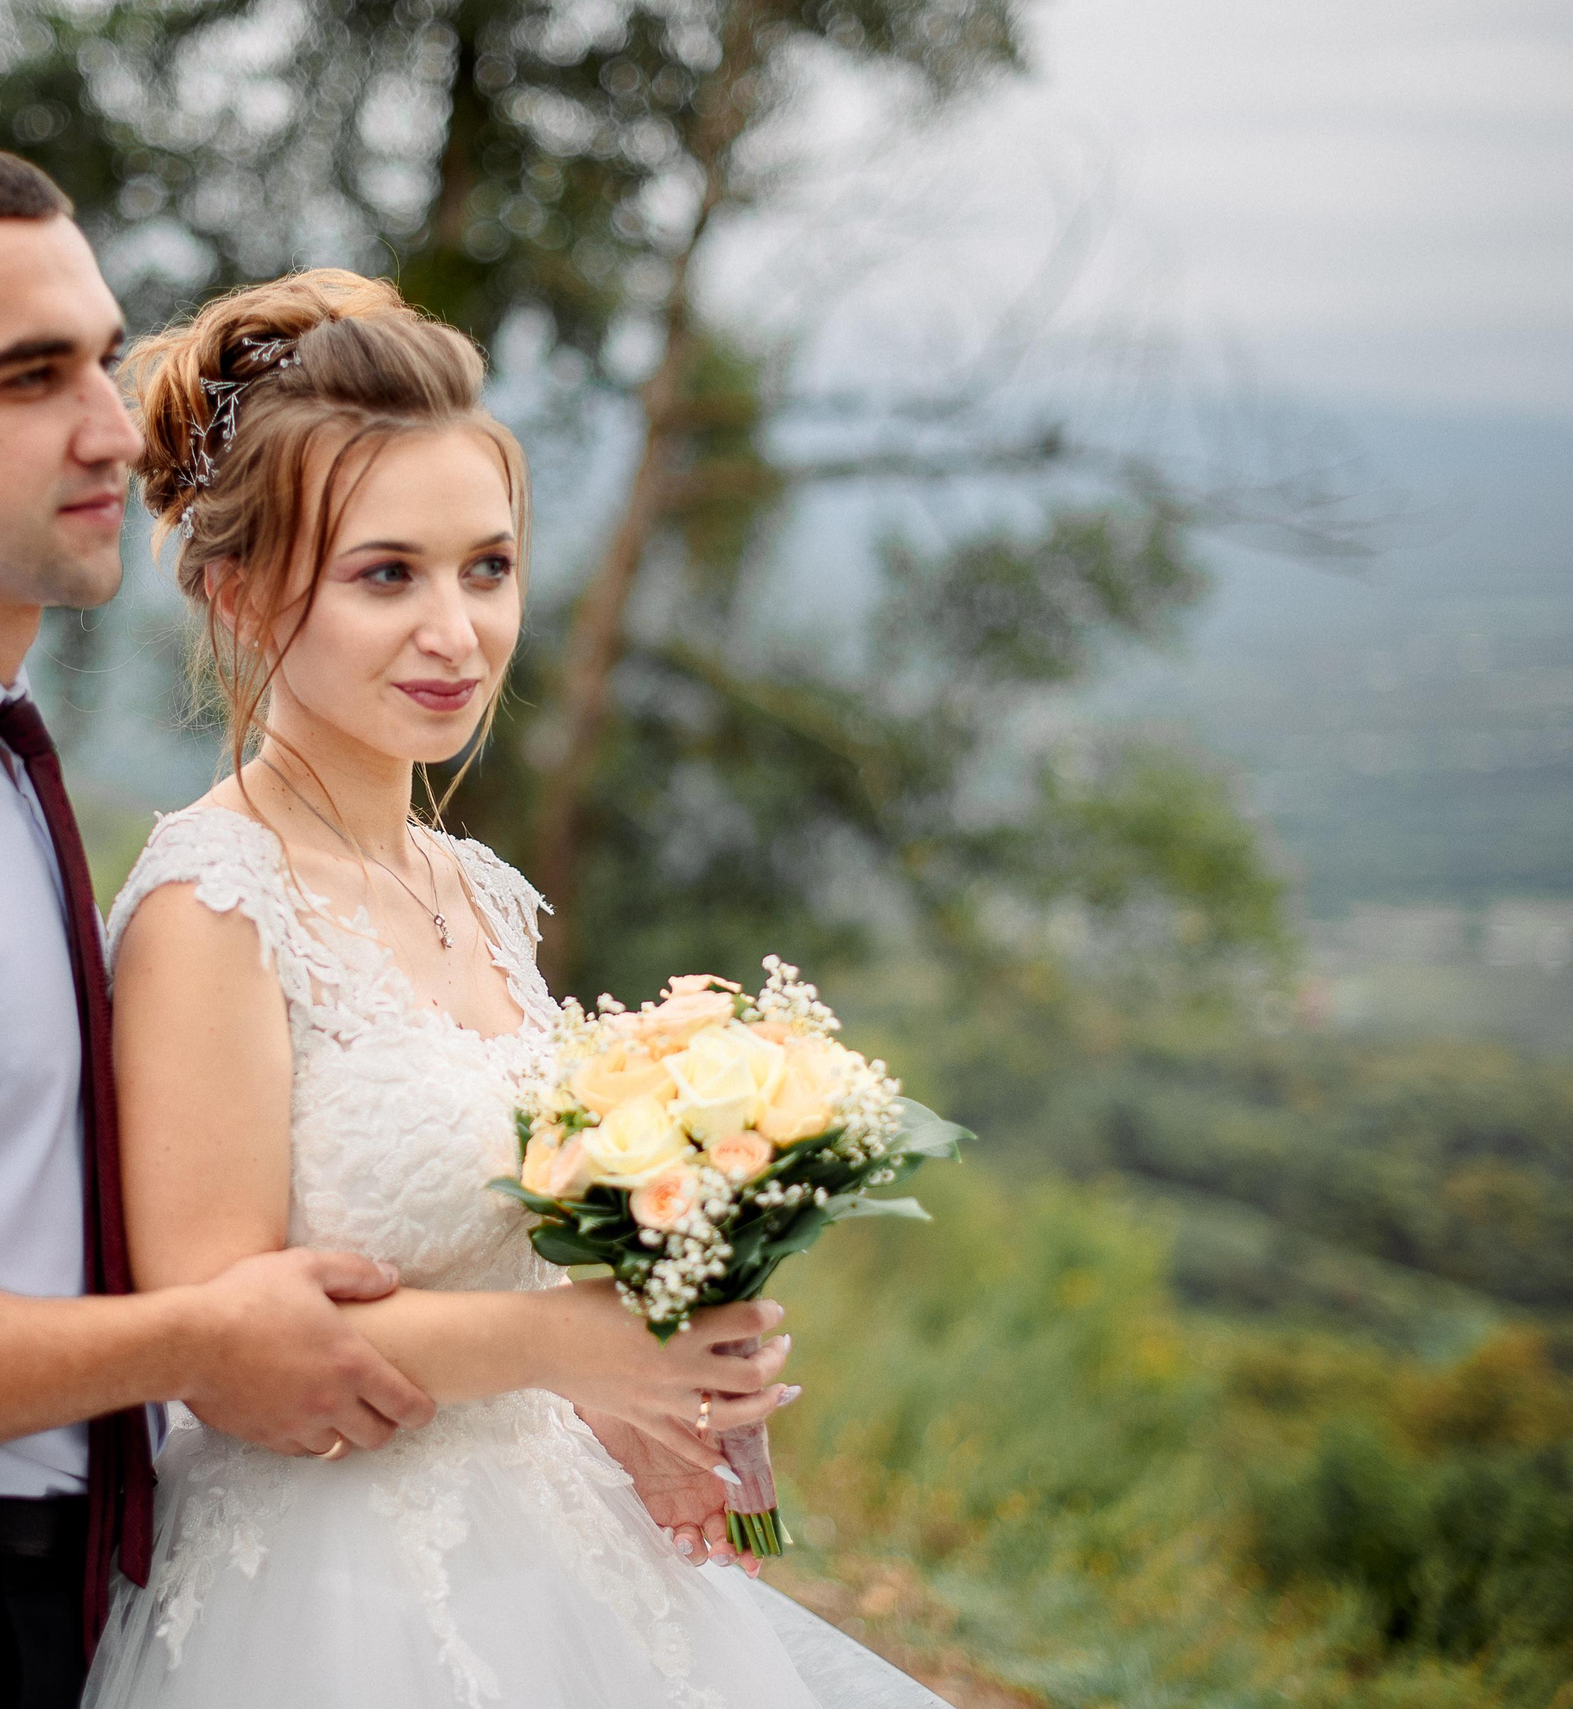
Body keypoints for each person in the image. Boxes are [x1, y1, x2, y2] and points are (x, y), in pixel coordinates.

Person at [0, 146, 780, 1707]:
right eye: (30, 375)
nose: (111, 425)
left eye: (99, 358)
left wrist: (635, 1376)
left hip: (72, 1585)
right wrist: (211, 1340)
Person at [83, 270, 947, 1707]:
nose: (457, 631)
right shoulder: (211, 904)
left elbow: (502, 1266)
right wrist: (584, 1351)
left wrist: (646, 1398)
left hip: (557, 1560)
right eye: (386, 575)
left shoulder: (476, 888)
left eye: (486, 568)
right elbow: (215, 1341)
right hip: (329, 1602)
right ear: (237, 591)